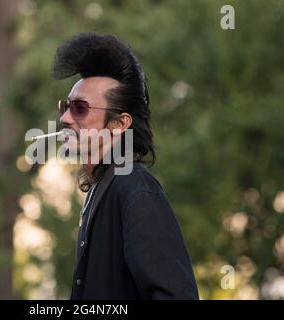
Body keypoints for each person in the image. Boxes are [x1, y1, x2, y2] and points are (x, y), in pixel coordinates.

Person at [52, 33, 199, 300]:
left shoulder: (135, 188)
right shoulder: (104, 187)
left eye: (80, 108)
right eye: (65, 106)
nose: (64, 117)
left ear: (119, 124)